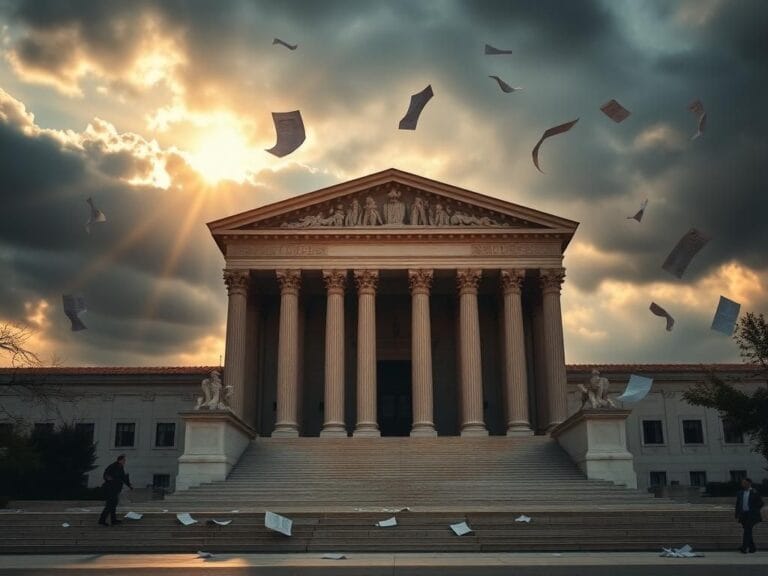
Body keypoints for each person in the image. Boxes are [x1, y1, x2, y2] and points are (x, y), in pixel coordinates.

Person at [98, 454, 133, 526]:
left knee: (113, 505)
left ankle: (113, 520)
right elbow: (106, 474)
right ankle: (102, 520)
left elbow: (123, 477)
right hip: (110, 489)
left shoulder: (120, 467)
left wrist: (129, 485)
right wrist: (108, 478)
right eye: (124, 460)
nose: (125, 461)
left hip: (115, 489)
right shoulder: (113, 466)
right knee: (109, 505)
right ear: (120, 460)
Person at [735, 477, 764, 553]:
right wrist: (737, 514)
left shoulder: (755, 492)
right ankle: (752, 548)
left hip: (751, 515)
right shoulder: (740, 493)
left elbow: (761, 503)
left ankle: (744, 548)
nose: (742, 484)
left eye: (744, 482)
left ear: (749, 483)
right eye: (742, 483)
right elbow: (738, 504)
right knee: (748, 531)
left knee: (747, 530)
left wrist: (754, 510)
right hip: (743, 514)